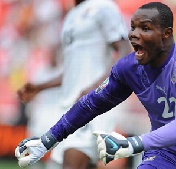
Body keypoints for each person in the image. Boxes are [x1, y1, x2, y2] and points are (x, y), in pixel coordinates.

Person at [15, 2, 176, 169]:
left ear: (166, 34)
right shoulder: (128, 68)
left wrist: (131, 144)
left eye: (145, 28)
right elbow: (90, 105)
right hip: (165, 154)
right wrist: (46, 140)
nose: (134, 34)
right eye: (133, 27)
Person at [16, 0, 132, 168]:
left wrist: (97, 88)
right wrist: (41, 87)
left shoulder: (103, 7)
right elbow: (73, 69)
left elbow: (125, 51)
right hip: (69, 107)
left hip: (90, 106)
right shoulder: (72, 15)